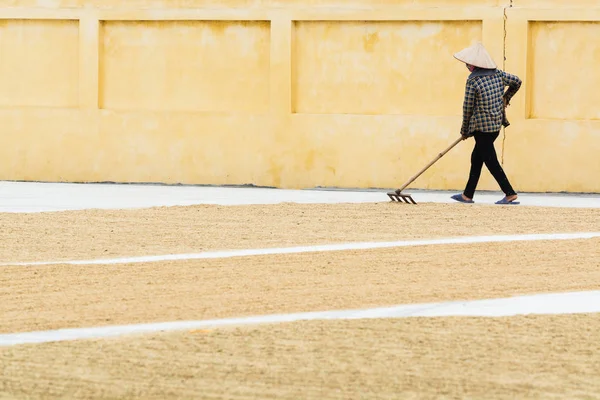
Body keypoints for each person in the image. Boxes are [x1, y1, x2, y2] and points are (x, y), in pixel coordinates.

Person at [450, 42, 522, 205]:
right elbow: (517, 81)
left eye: (468, 64)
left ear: (475, 65)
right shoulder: (498, 75)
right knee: (477, 158)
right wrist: (506, 97)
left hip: (481, 129)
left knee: (490, 160)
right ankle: (467, 195)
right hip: (495, 126)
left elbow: (467, 107)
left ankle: (510, 193)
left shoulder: (473, 81)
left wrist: (464, 130)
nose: (467, 66)